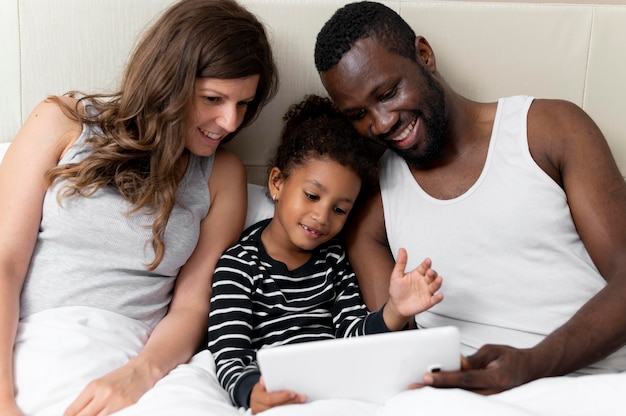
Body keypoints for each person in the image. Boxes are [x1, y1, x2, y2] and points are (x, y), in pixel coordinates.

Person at [314, 0, 626, 395]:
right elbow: (397, 346)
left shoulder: (548, 130)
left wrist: (532, 364)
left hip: (594, 386)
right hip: (465, 398)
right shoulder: (371, 204)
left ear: (423, 55)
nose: (382, 122)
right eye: (358, 114)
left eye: (389, 92)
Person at [0, 0, 278, 415]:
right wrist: (4, 401)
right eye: (213, 98)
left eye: (243, 104)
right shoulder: (61, 122)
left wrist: (140, 372)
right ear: (168, 80)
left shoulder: (222, 174)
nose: (230, 122)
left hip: (143, 356)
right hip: (38, 341)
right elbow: (5, 264)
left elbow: (193, 305)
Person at [207, 95, 444, 414]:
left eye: (339, 209)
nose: (321, 216)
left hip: (339, 388)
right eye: (311, 195)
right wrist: (250, 392)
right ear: (277, 183)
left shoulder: (333, 260)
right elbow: (229, 353)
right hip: (282, 392)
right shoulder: (238, 265)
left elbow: (352, 331)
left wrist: (395, 311)